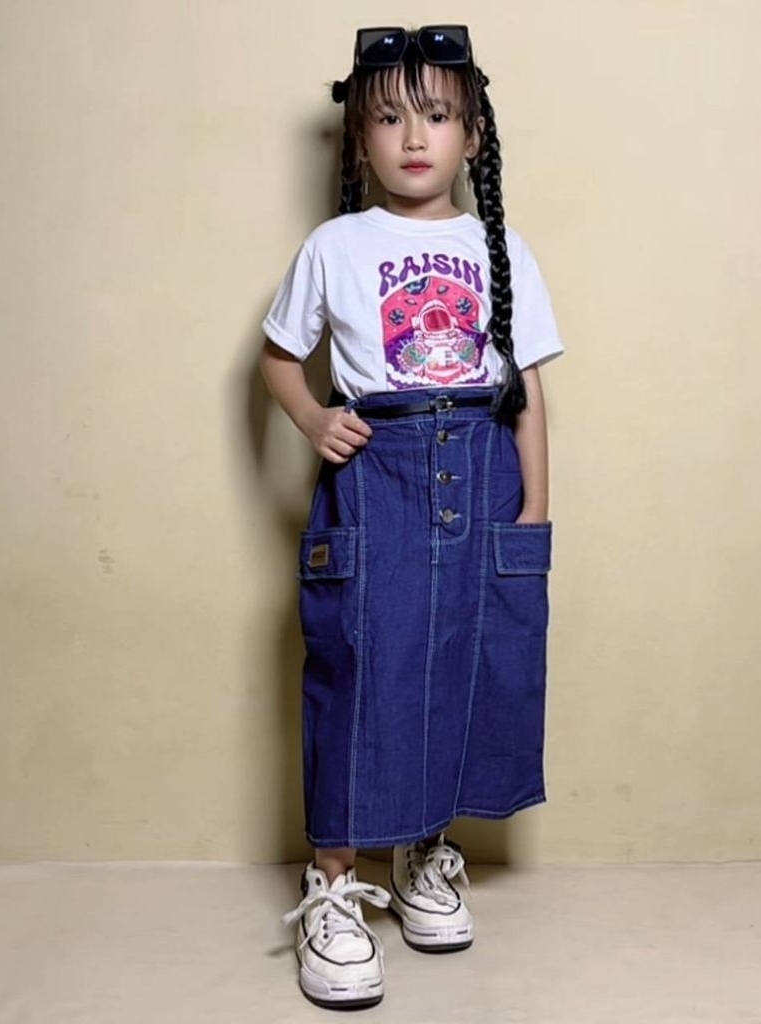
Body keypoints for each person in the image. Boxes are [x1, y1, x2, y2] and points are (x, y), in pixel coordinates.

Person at [260, 24, 565, 1010]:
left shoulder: (501, 249)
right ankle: (334, 885)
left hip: (482, 471)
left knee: (466, 660)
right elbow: (278, 359)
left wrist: (533, 517)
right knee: (363, 667)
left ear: (472, 135)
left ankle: (424, 853)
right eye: (389, 118)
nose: (414, 137)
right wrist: (315, 419)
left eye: (436, 116)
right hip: (378, 476)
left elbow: (527, 390)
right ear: (359, 138)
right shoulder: (335, 246)